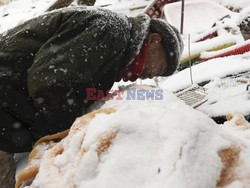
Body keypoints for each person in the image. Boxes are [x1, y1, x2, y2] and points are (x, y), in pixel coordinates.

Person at [0, 6, 183, 187]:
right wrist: (63, 134)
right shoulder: (109, 30)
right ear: (154, 41)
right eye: (160, 68)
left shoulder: (116, 47)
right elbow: (50, 82)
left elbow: (78, 88)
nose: (152, 75)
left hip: (12, 109)